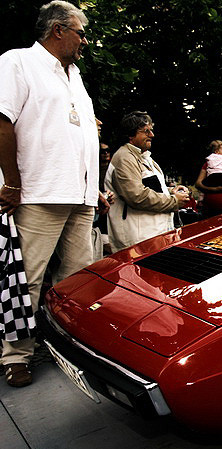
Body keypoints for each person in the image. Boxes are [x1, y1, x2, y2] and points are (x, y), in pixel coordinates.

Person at [0, 1, 110, 387]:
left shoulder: (75, 75)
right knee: (26, 279)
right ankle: (15, 355)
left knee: (78, 280)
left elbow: (77, 137)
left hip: (80, 197)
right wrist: (11, 182)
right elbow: (3, 122)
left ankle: (70, 344)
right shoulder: (17, 62)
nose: (85, 41)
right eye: (81, 33)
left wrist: (94, 189)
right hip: (38, 193)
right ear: (58, 30)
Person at [105, 111, 189, 252]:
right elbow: (137, 196)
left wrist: (171, 191)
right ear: (130, 135)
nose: (152, 135)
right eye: (146, 131)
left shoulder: (145, 157)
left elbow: (151, 187)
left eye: (151, 130)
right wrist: (174, 201)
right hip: (138, 242)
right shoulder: (124, 158)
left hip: (153, 236)